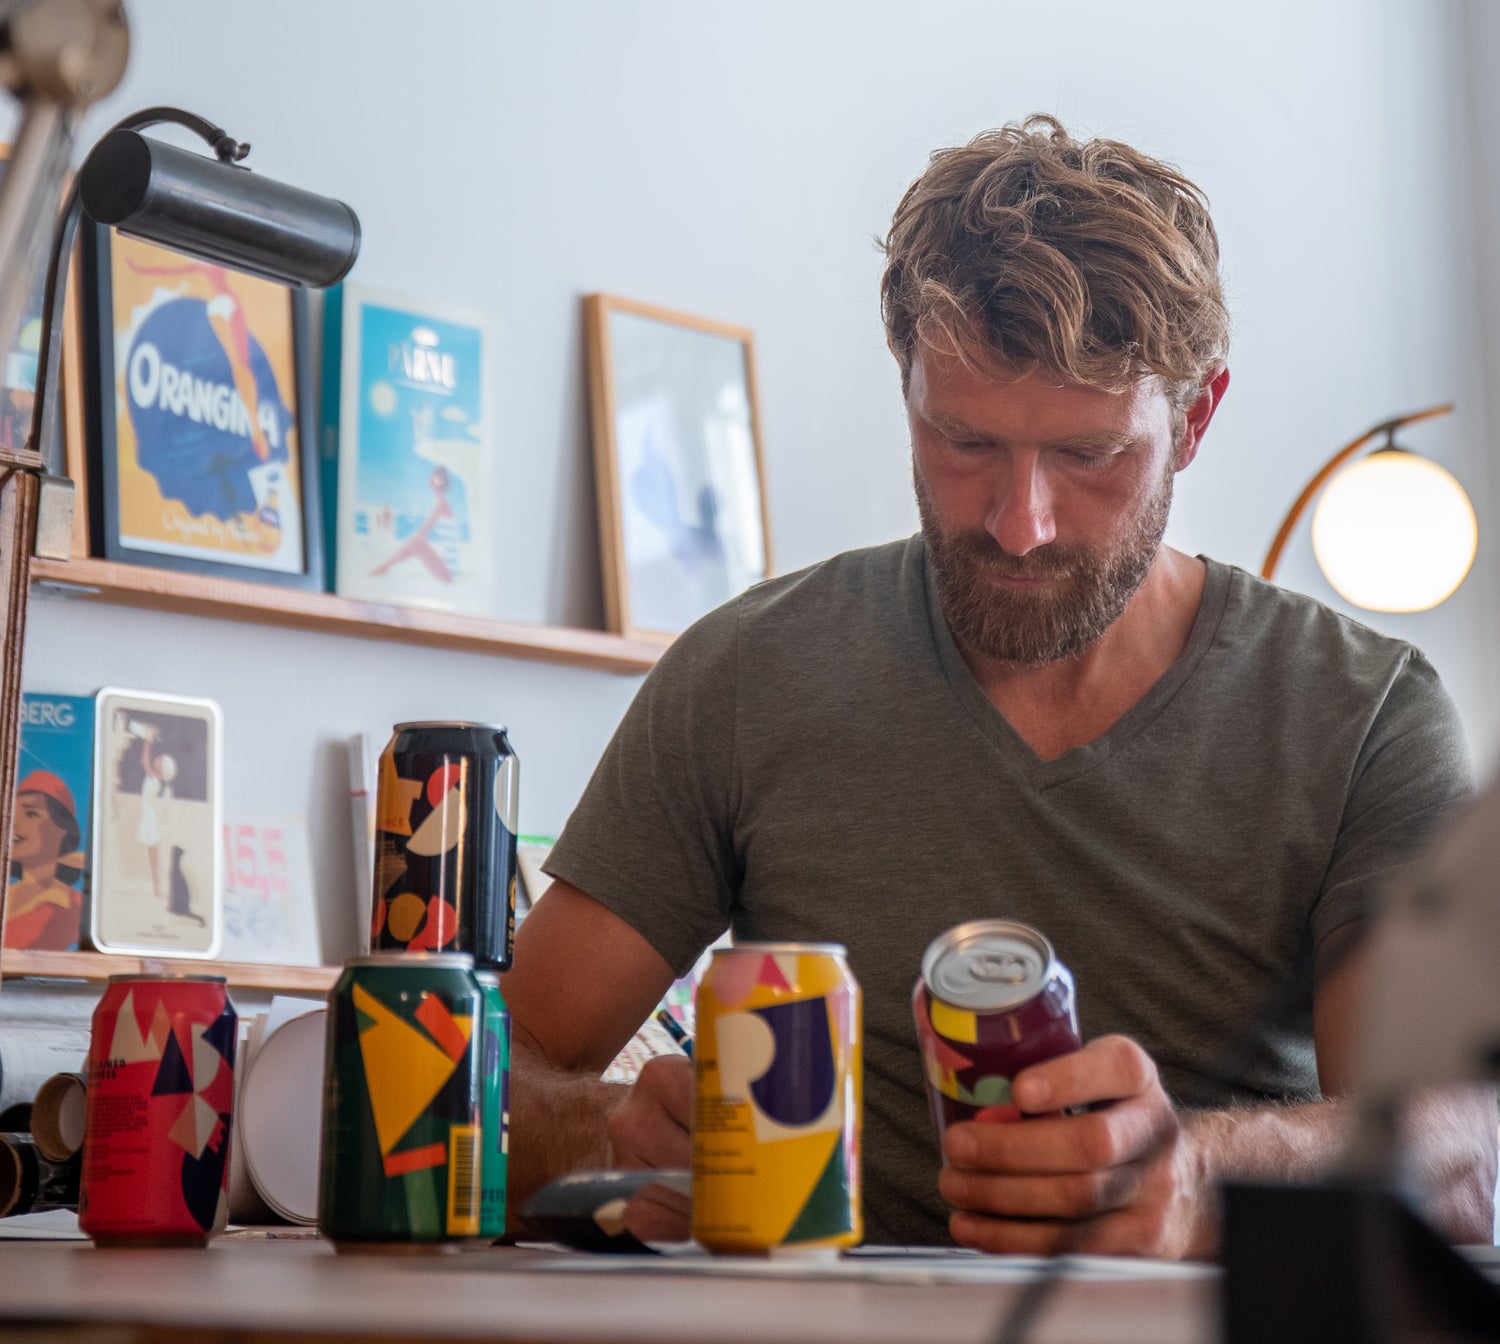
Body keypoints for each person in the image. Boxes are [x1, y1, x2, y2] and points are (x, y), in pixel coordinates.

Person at [499, 115, 1498, 1255]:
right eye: (964, 442)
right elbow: (481, 1074)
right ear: (907, 388)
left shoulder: (1361, 716)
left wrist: (1197, 1181)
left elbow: (1466, 1143)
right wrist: (603, 1130)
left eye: (1090, 455)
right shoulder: (743, 676)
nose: (1021, 524)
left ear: (1195, 419)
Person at [5, 771, 85, 951]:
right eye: (12, 813)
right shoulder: (8, 895)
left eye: (30, 814)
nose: (13, 823)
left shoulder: (74, 906)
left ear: (62, 829)